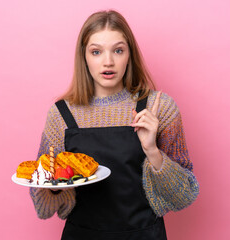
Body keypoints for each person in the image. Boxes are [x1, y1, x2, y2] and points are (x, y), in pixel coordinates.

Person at [29, 10, 199, 240]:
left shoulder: (159, 108)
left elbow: (185, 196)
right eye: (96, 52)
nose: (108, 61)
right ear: (84, 56)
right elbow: (43, 207)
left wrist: (152, 151)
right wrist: (55, 185)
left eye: (118, 50)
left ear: (129, 55)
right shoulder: (62, 114)